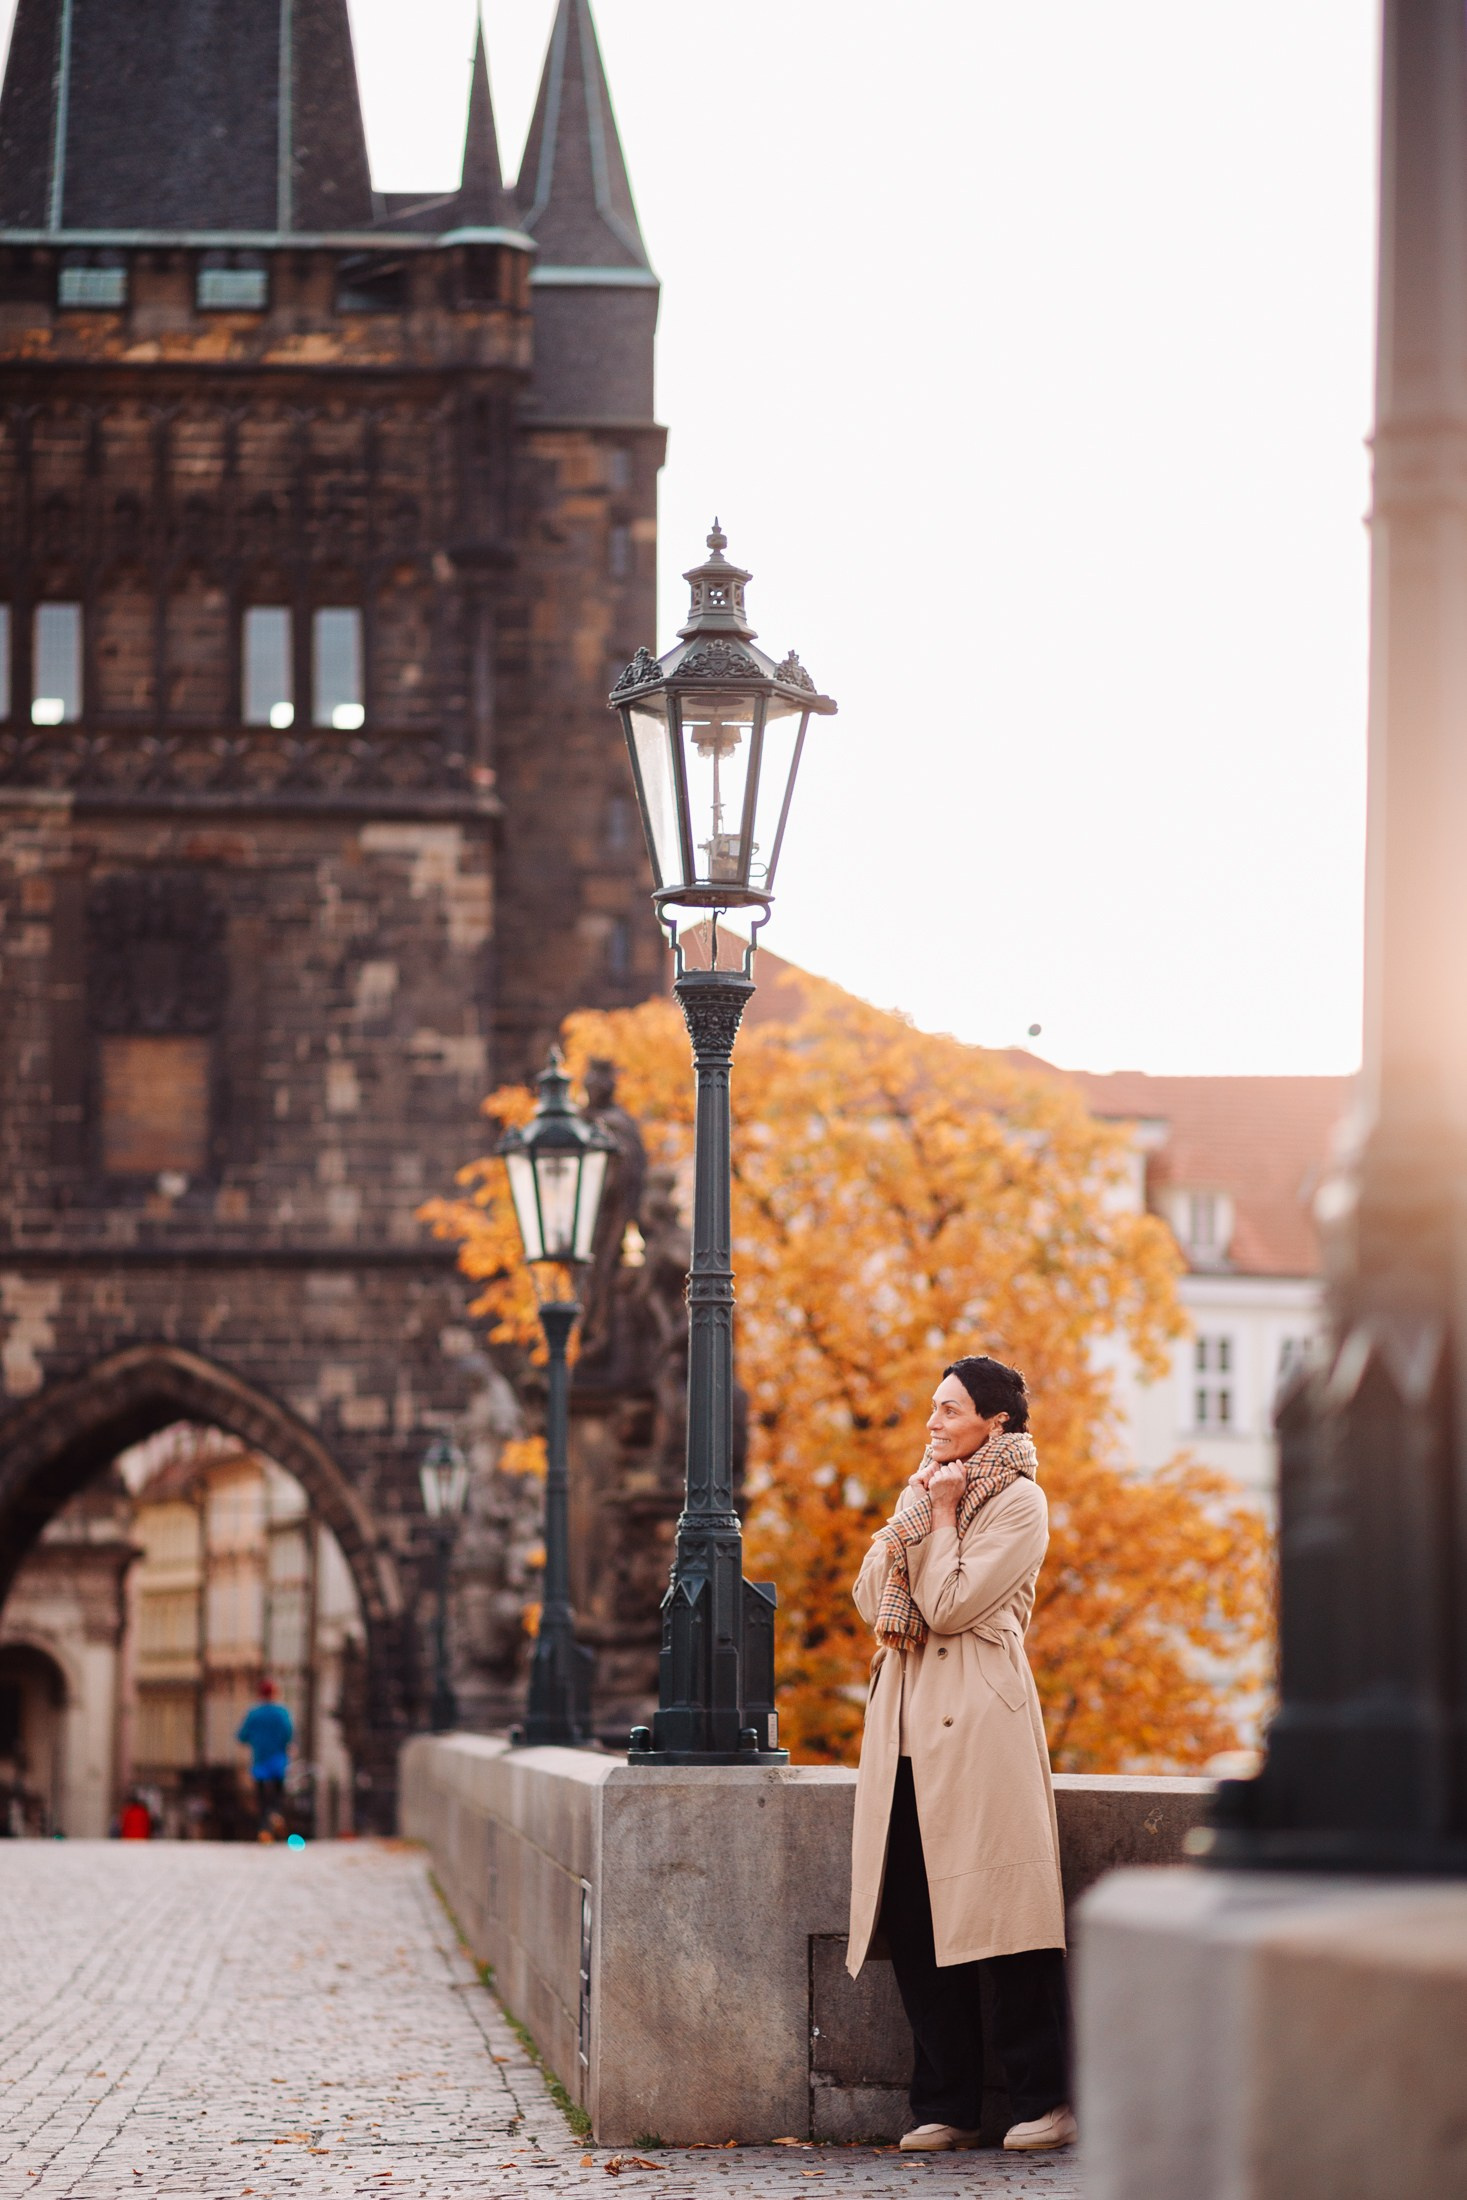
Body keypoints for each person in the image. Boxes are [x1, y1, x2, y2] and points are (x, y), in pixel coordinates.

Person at [847, 1355, 1075, 2155]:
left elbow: (948, 1605)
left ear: (995, 1420)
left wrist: (938, 1516)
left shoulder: (1020, 1501)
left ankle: (1045, 2100)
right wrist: (918, 1513)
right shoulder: (921, 1494)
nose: (933, 1421)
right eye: (933, 1407)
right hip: (906, 1728)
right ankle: (944, 2105)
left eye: (949, 1409)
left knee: (1006, 1921)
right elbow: (868, 1595)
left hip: (980, 1726)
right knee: (915, 1923)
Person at [236, 1678, 294, 1840]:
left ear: (260, 1694)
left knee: (261, 1797)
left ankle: (264, 1829)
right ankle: (275, 1814)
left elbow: (242, 1736)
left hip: (260, 1760)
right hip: (278, 1760)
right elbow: (289, 1734)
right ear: (275, 1693)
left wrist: (256, 1740)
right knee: (278, 1794)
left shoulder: (253, 1714)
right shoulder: (282, 1712)